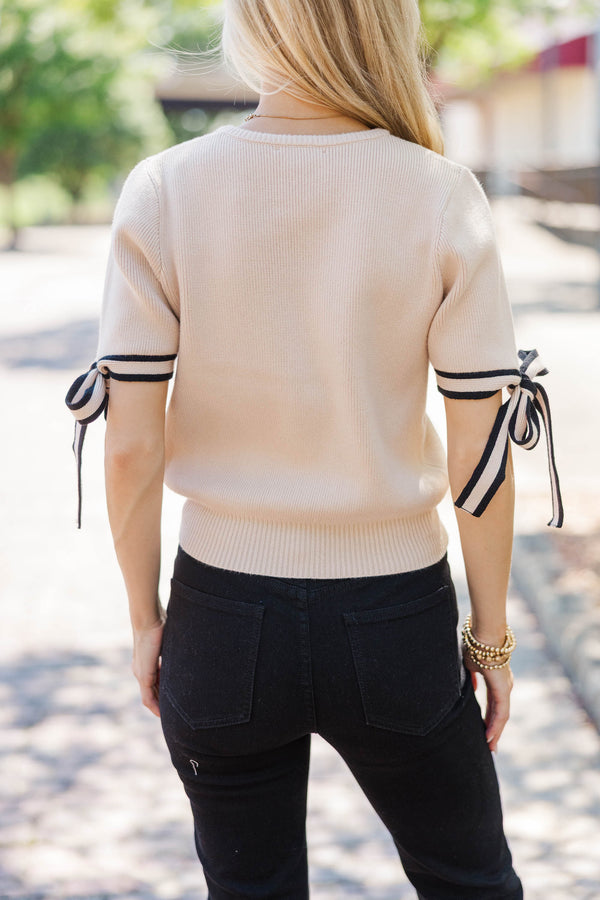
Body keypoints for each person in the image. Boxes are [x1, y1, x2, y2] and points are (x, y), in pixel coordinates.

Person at [65, 0, 563, 897]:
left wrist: (146, 620)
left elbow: (130, 446)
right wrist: (490, 643)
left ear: (251, 25)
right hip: (395, 618)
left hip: (221, 617)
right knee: (472, 882)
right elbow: (481, 454)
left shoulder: (163, 187)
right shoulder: (441, 192)